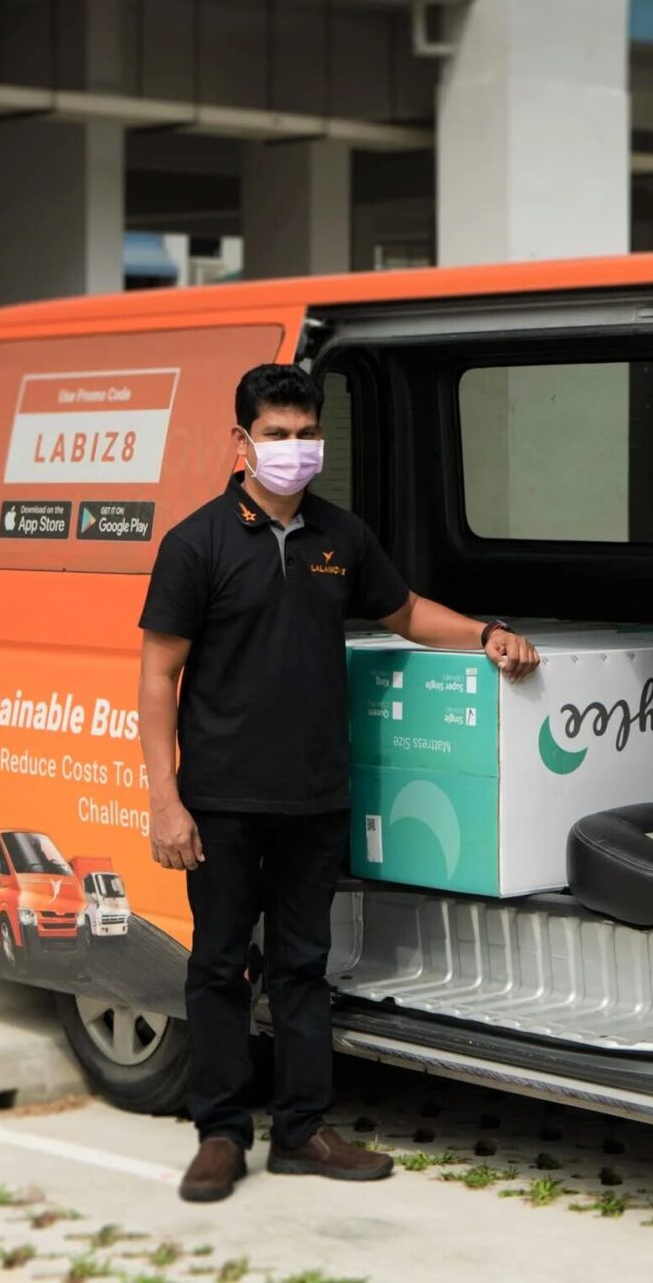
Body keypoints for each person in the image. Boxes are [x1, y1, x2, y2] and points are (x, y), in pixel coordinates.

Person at [137, 363, 539, 1204]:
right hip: (220, 802)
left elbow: (405, 612)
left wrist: (487, 634)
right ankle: (219, 1133)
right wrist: (165, 799)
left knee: (303, 967)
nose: (294, 449)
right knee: (216, 966)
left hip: (315, 798)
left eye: (305, 434)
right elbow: (156, 675)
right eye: (276, 435)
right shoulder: (196, 544)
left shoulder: (340, 538)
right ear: (241, 442)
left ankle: (301, 1130)